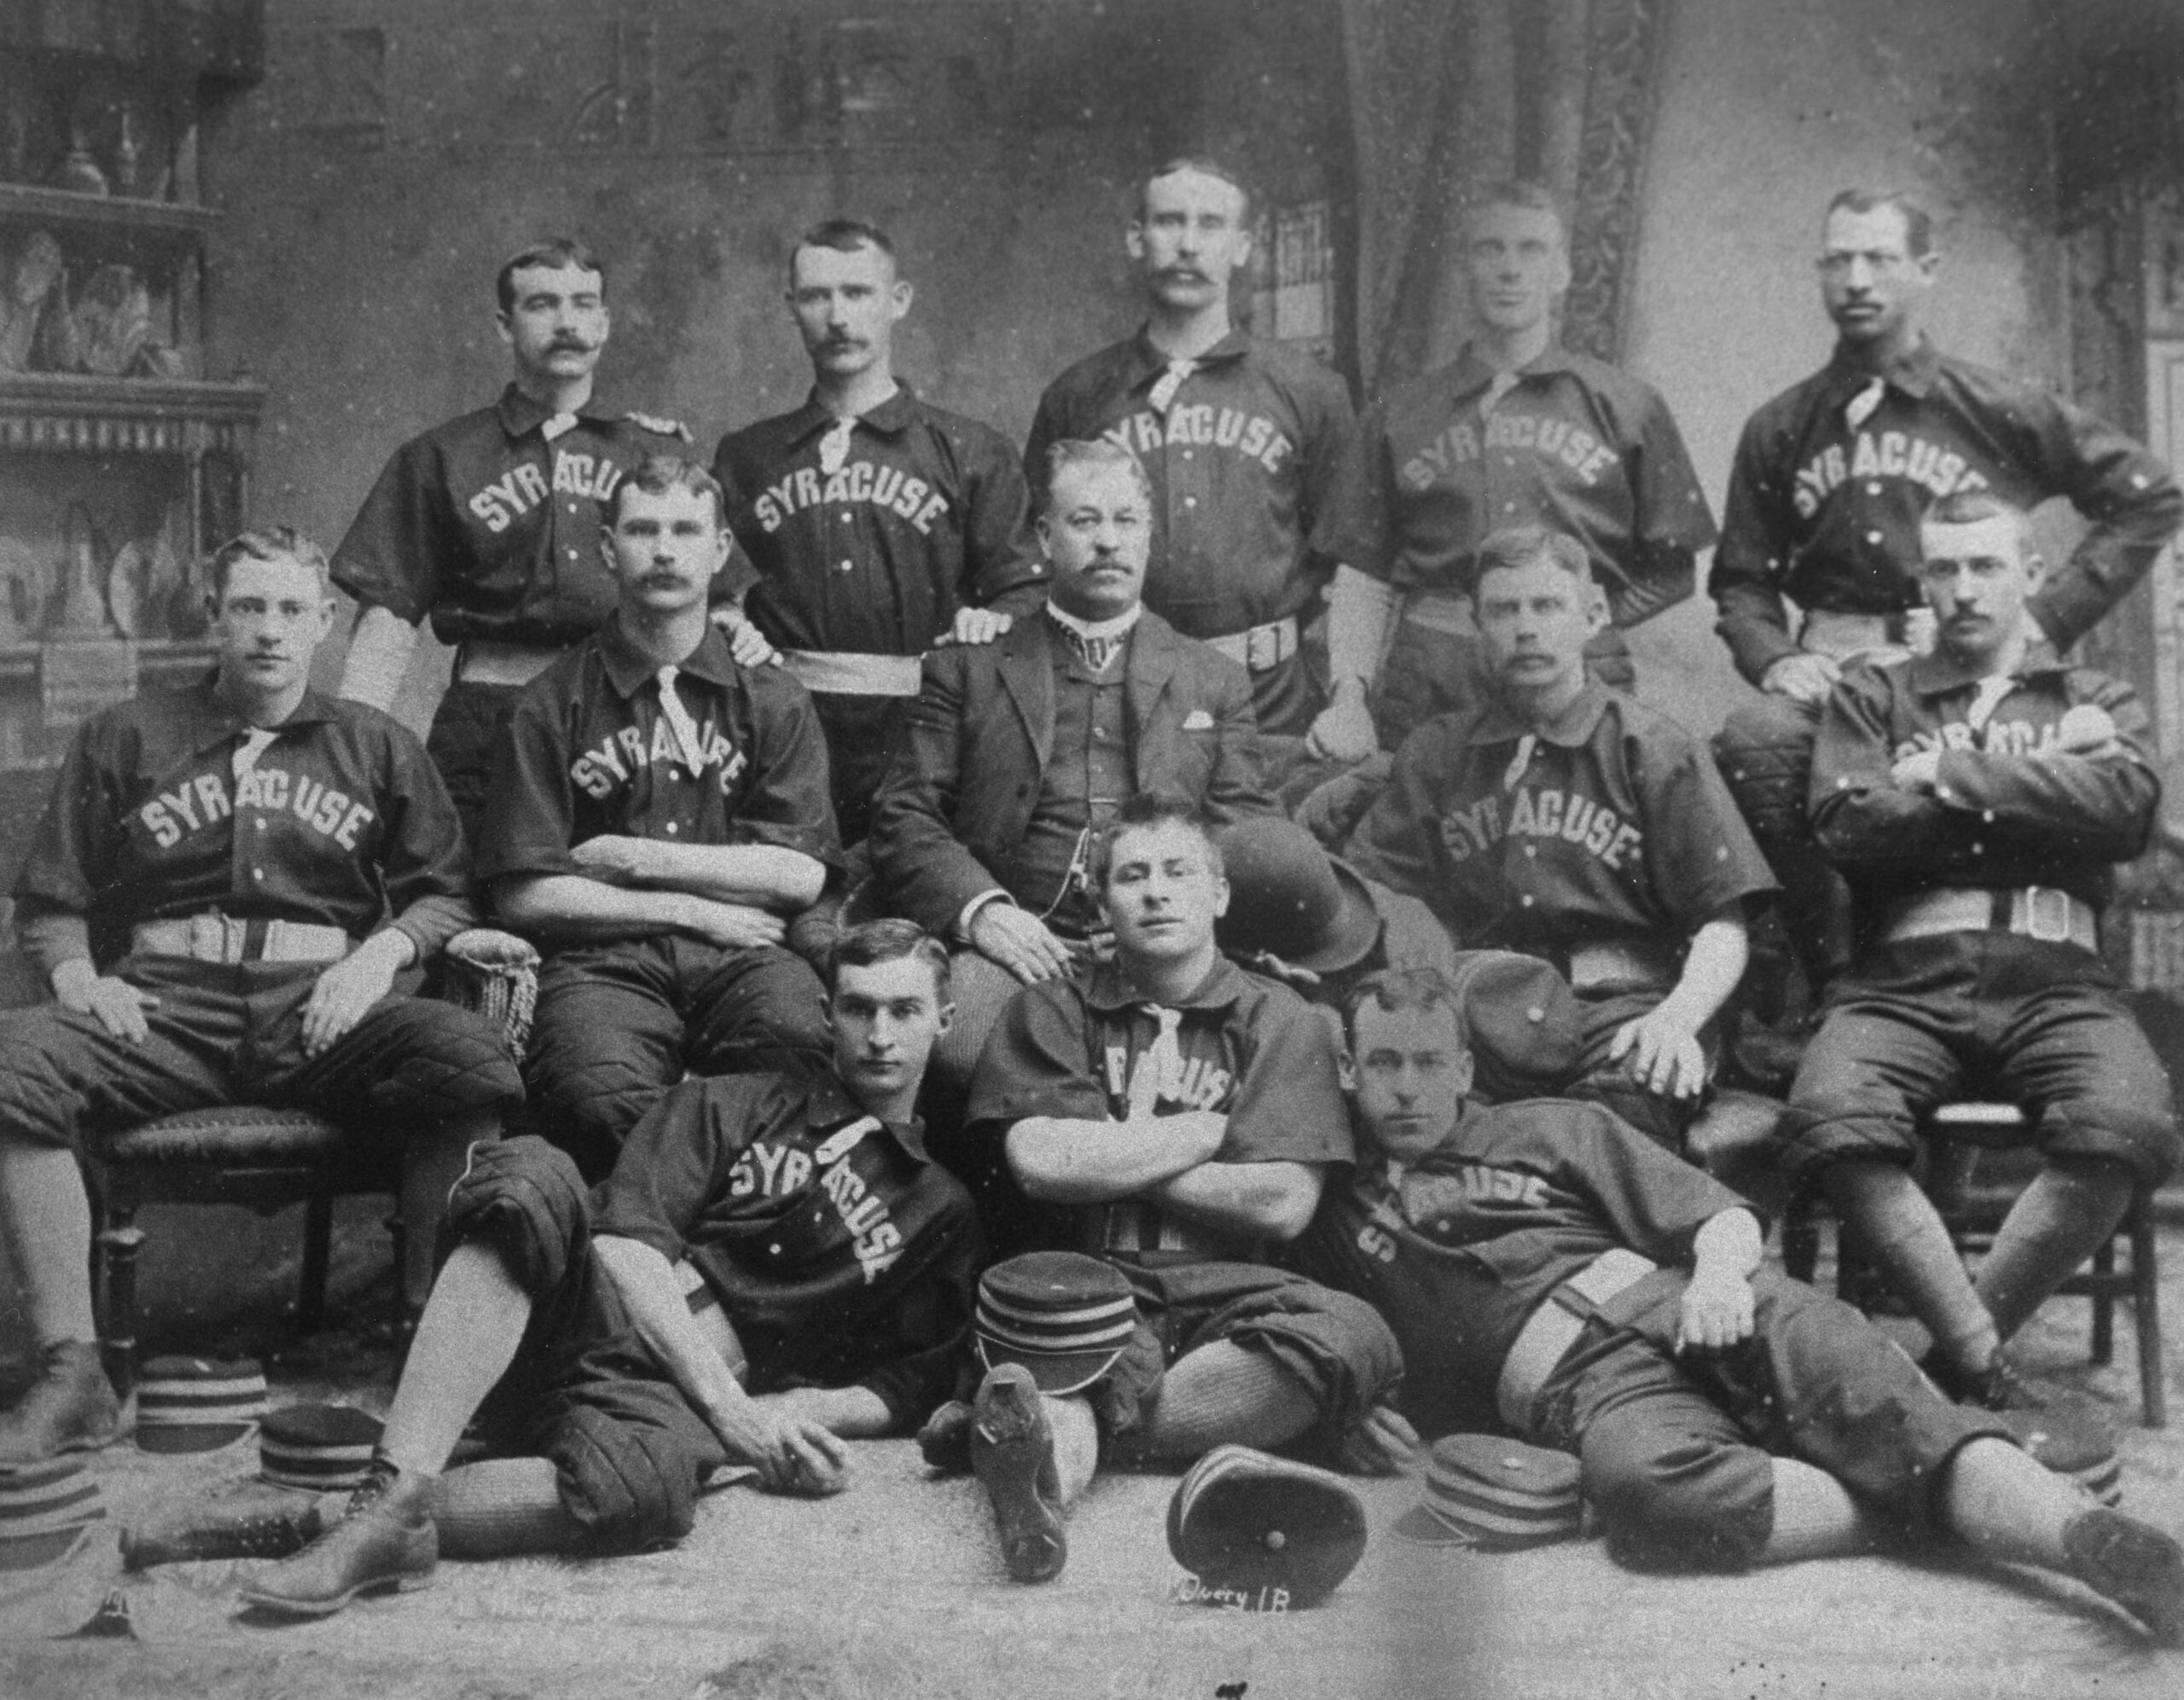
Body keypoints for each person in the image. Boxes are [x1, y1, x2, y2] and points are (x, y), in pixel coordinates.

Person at [1292, 966, 2183, 1642]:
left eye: (1424, 1063)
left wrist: (1719, 1280)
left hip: (1689, 1297)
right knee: (1652, 1501)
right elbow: (1326, 1346)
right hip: (1581, 1388)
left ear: (1460, 1071)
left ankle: (2091, 1543)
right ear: (1349, 1071)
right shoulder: (1326, 1213)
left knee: (1856, 1383)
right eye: (1381, 1063)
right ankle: (1952, 1494)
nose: (1404, 1087)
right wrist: (1350, 1416)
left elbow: (1713, 1215)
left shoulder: (1552, 1126)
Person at [234, 920, 983, 1618]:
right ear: (828, 1015)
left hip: (657, 1398)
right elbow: (625, 1246)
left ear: (944, 1021)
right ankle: (389, 1498)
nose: (880, 1035)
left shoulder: (940, 1210)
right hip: (577, 1311)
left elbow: (905, 1386)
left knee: (645, 1492)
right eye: (859, 1008)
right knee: (529, 1179)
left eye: (906, 1010)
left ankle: (344, 1521)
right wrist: (732, 1409)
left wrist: (789, 1419)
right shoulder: (733, 1102)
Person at [0, 529, 523, 1464]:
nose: (270, 632)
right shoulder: (126, 732)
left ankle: (425, 1340)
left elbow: (446, 890)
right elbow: (50, 903)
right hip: (165, 1007)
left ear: (325, 623)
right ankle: (73, 1369)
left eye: (291, 610)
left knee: (468, 1056)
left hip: (319, 1005)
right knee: (11, 1059)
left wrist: (378, 960)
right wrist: (80, 978)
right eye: (248, 607)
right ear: (214, 616)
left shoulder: (376, 745)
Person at [1711, 190, 2183, 994]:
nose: (1857, 279)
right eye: (1840, 259)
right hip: (1834, 672)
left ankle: (2010, 981)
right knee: (1758, 741)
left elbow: (2149, 494)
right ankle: (1834, 978)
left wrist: (2046, 616)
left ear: (1925, 270)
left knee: (1992, 787)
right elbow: (1742, 582)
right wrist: (1777, 658)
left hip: (1962, 666)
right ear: (1821, 271)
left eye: (1880, 259)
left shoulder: (1990, 404)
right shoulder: (1782, 425)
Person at [1778, 490, 2179, 1414]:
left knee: (2123, 1125)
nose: (1963, 589)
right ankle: (1975, 1359)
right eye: (1945, 568)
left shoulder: (2093, 696)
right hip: (1905, 978)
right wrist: (2047, 799)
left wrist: (1954, 775)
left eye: (1985, 566)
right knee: (1829, 1115)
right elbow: (1848, 823)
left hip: (2056, 977)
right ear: (1922, 579)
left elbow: (2124, 811)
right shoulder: (1874, 694)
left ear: (2030, 576)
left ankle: (1938, 1367)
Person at [939, 792, 1402, 1584]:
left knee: (1352, 1335)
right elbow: (1042, 1162)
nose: (1156, 891)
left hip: (1228, 1287)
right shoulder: (1055, 1005)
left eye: (1178, 872)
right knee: (1058, 1341)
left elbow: (1284, 1203)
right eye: (1133, 874)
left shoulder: (1278, 1017)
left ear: (1218, 895)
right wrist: (1193, 1135)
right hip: (1086, 1278)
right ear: (1101, 898)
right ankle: (1052, 1471)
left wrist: (1119, 1156)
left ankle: (1041, 1439)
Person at [1344, 527, 1775, 1154]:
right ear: (1476, 623)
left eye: (1547, 606)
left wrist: (1678, 1019)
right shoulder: (1439, 754)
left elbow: (1723, 920)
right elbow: (1373, 896)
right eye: (1504, 609)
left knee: (1620, 1110)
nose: (1526, 628)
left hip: (1618, 1009)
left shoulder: (1650, 748)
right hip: (1478, 1009)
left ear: (1593, 614)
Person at [868, 438, 1271, 1099]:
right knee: (964, 1042)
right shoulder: (966, 667)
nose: (1108, 541)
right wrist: (986, 914)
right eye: (1085, 521)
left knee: (1241, 1056)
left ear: (1149, 535)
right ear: (1046, 537)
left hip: (1164, 944)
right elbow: (903, 813)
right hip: (1019, 942)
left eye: (1126, 521)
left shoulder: (1214, 678)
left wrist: (1170, 922)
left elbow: (1243, 827)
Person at [477, 455, 836, 1179]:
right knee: (591, 1090)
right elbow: (524, 892)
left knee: (798, 1052)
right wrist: (690, 910)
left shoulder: (771, 694)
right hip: (604, 963)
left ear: (720, 550)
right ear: (608, 548)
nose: (665, 549)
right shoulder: (551, 701)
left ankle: (712, 1266)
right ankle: (651, 1260)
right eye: (643, 530)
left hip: (749, 956)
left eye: (685, 530)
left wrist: (641, 859)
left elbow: (798, 873)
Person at [331, 239, 758, 844]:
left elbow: (721, 603)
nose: (567, 323)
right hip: (489, 715)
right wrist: (353, 751)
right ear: (505, 325)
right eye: (542, 305)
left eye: (584, 304)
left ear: (605, 322)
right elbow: (388, 618)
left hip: (628, 714)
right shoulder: (443, 456)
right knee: (475, 902)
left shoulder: (656, 456)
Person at [1323, 181, 1714, 758]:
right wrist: (1348, 695)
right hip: (1435, 671)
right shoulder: (1400, 412)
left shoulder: (1627, 404)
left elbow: (1674, 568)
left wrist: (1581, 616)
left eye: (1531, 250)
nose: (1511, 269)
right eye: (1491, 249)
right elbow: (1363, 572)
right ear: (1465, 268)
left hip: (1578, 670)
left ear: (1562, 272)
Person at [712, 218, 1046, 846]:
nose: (838, 316)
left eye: (858, 293)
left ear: (899, 301)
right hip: (787, 729)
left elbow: (1026, 591)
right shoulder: (748, 456)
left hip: (928, 730)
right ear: (791, 308)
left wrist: (991, 620)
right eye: (816, 296)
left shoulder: (970, 450)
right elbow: (704, 589)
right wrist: (729, 617)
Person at [1024, 159, 1372, 750]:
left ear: (1241, 247)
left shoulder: (1309, 390)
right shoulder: (1079, 395)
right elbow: (1035, 558)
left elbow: (1349, 560)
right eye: (1169, 222)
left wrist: (1348, 695)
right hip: (1115, 695)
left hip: (1270, 699)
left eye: (1210, 225)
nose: (1188, 244)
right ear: (1138, 238)